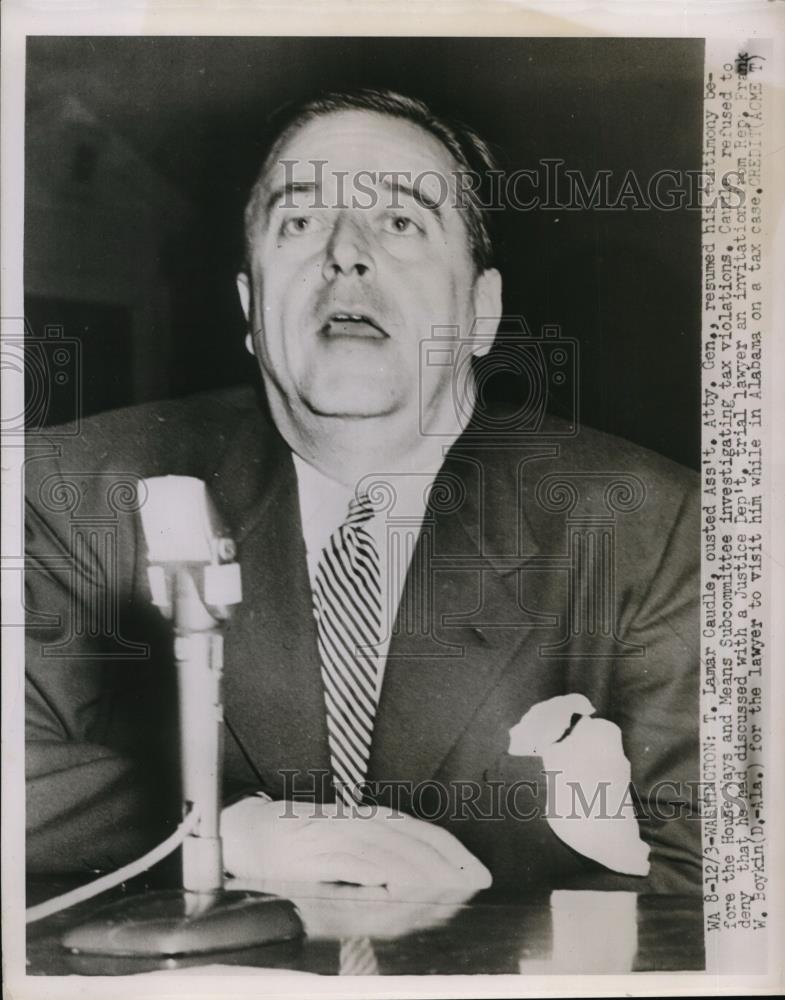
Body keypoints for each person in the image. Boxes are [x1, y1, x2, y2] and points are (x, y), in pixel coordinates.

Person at [25, 88, 701, 896]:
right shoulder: (76, 488)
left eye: (402, 222)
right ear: (250, 307)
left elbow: (709, 882)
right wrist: (224, 832)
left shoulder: (650, 528)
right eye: (299, 222)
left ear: (481, 311)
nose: (345, 251)